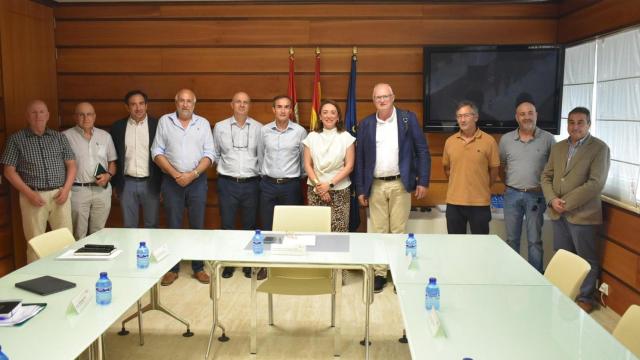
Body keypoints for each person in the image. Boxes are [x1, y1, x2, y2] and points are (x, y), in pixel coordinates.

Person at [355, 83, 430, 293]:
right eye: (378, 97)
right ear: (373, 100)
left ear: (393, 97)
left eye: (385, 96)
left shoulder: (407, 119)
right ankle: (380, 274)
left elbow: (422, 151)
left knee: (398, 232)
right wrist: (361, 189)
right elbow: (360, 159)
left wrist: (422, 181)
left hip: (401, 184)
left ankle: (398, 273)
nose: (382, 100)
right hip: (376, 185)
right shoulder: (367, 124)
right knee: (378, 232)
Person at [541, 107, 610, 313]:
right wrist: (553, 200)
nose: (575, 126)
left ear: (589, 124)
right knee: (562, 255)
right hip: (557, 212)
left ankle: (585, 297)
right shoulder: (559, 147)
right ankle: (563, 292)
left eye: (580, 122)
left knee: (585, 258)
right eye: (571, 122)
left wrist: (566, 203)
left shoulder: (599, 148)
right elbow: (546, 176)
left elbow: (595, 183)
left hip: (583, 214)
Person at [151, 89, 214, 286]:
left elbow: (210, 154)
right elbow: (156, 151)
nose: (185, 105)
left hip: (197, 181)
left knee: (197, 226)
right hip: (172, 182)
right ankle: (172, 268)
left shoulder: (202, 123)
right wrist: (176, 174)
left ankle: (198, 268)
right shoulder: (165, 121)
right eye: (182, 101)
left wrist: (193, 174)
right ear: (175, 102)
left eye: (189, 101)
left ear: (194, 104)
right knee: (173, 226)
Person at [1, 100, 76, 259]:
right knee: (35, 244)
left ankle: (67, 277)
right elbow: (8, 171)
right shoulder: (16, 139)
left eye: (42, 112)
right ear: (27, 116)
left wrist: (67, 189)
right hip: (32, 196)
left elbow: (72, 165)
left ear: (48, 115)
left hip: (60, 194)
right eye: (34, 112)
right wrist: (29, 193)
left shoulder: (59, 137)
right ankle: (36, 281)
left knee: (66, 242)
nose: (38, 116)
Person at [499, 100, 555, 273]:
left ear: (536, 115)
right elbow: (501, 166)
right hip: (512, 195)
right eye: (522, 114)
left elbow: (554, 169)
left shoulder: (548, 139)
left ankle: (536, 278)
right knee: (511, 239)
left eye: (530, 113)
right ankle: (512, 275)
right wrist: (508, 184)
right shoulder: (506, 139)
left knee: (534, 241)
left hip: (536, 197)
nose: (527, 117)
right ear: (517, 118)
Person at [213, 92, 263, 279]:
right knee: (227, 225)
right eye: (238, 102)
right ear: (231, 105)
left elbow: (261, 154)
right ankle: (229, 262)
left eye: (245, 102)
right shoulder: (220, 127)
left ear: (249, 106)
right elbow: (215, 154)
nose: (242, 105)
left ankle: (248, 263)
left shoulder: (259, 128)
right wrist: (224, 169)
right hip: (227, 183)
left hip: (252, 183)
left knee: (250, 225)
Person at [442, 100, 500, 235]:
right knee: (455, 246)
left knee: (480, 247)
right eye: (459, 116)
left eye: (466, 115)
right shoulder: (450, 142)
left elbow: (494, 170)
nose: (462, 120)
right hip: (454, 203)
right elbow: (447, 169)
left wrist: (482, 185)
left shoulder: (489, 141)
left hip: (479, 204)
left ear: (476, 117)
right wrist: (458, 183)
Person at [64, 102, 117, 240]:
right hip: (78, 191)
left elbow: (112, 162)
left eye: (89, 114)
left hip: (102, 191)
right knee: (77, 235)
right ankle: (77, 262)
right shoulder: (65, 136)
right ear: (75, 117)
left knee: (99, 233)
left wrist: (109, 175)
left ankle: (96, 261)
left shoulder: (105, 136)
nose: (86, 118)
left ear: (94, 116)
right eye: (81, 114)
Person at [110, 90, 162, 228]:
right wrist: (115, 184)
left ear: (146, 105)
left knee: (152, 225)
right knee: (129, 226)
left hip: (151, 183)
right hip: (127, 183)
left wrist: (162, 185)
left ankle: (150, 250)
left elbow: (164, 156)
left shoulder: (158, 125)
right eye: (133, 104)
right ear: (127, 107)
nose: (138, 108)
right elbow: (113, 158)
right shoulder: (117, 127)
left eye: (141, 104)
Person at [303, 99, 355, 232]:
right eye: (325, 112)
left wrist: (330, 185)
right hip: (315, 190)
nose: (329, 116)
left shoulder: (346, 137)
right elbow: (308, 165)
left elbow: (349, 166)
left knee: (338, 233)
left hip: (340, 190)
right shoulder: (311, 137)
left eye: (333, 113)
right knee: (315, 231)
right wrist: (320, 187)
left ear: (338, 117)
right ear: (320, 116)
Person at [258, 95, 307, 231]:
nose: (283, 111)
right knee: (267, 226)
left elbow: (304, 160)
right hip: (268, 186)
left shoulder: (300, 132)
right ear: (273, 109)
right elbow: (261, 155)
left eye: (286, 107)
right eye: (279, 107)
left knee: (290, 228)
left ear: (291, 110)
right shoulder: (264, 131)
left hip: (291, 186)